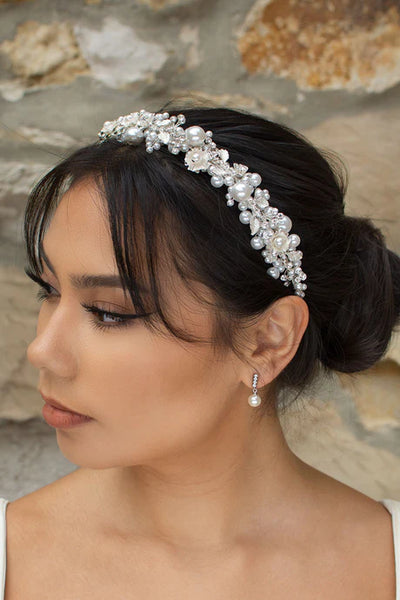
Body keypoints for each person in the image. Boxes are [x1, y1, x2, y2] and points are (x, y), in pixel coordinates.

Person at [1, 102, 399, 599]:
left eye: (109, 312)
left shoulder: (387, 562)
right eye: (49, 291)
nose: (42, 351)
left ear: (268, 340)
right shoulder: (11, 556)